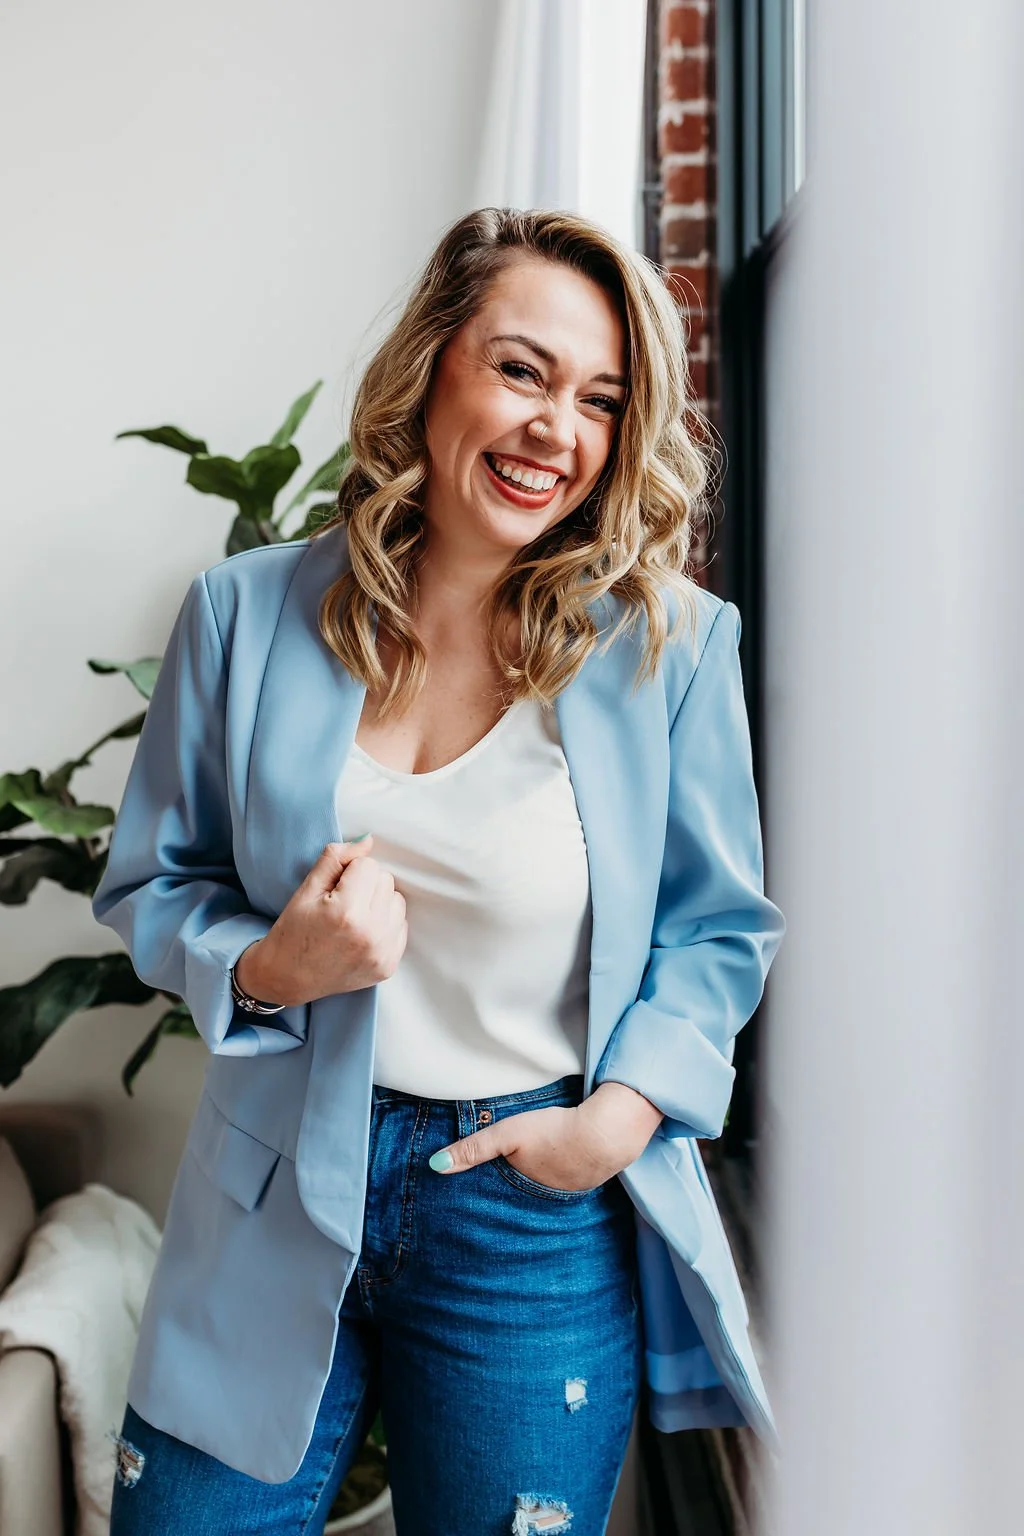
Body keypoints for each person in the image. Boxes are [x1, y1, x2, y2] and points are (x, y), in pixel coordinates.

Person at [92, 206, 786, 1536]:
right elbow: (152, 881)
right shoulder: (242, 617)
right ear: (433, 367)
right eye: (522, 370)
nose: (556, 430)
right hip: (273, 1183)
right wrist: (269, 965)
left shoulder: (671, 650)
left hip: (525, 1211)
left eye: (600, 399)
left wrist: (616, 1126)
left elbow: (716, 931)